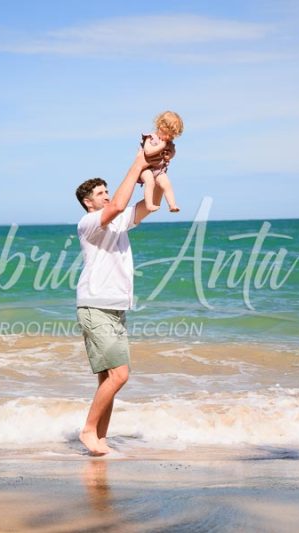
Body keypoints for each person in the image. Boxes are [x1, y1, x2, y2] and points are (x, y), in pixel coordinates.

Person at [74, 149, 164, 455]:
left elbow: (149, 205)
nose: (107, 195)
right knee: (120, 375)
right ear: (88, 202)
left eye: (107, 191)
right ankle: (88, 430)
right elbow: (117, 206)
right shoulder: (88, 222)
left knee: (107, 379)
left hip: (114, 309)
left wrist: (158, 172)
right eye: (100, 193)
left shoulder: (118, 223)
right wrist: (138, 163)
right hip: (96, 306)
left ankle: (100, 439)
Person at [138, 110, 184, 213]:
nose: (168, 138)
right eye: (167, 134)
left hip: (159, 170)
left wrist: (169, 156)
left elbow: (173, 151)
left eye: (172, 137)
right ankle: (149, 204)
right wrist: (161, 146)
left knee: (166, 184)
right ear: (160, 126)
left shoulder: (168, 142)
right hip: (146, 169)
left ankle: (172, 205)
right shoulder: (150, 137)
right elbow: (148, 151)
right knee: (149, 182)